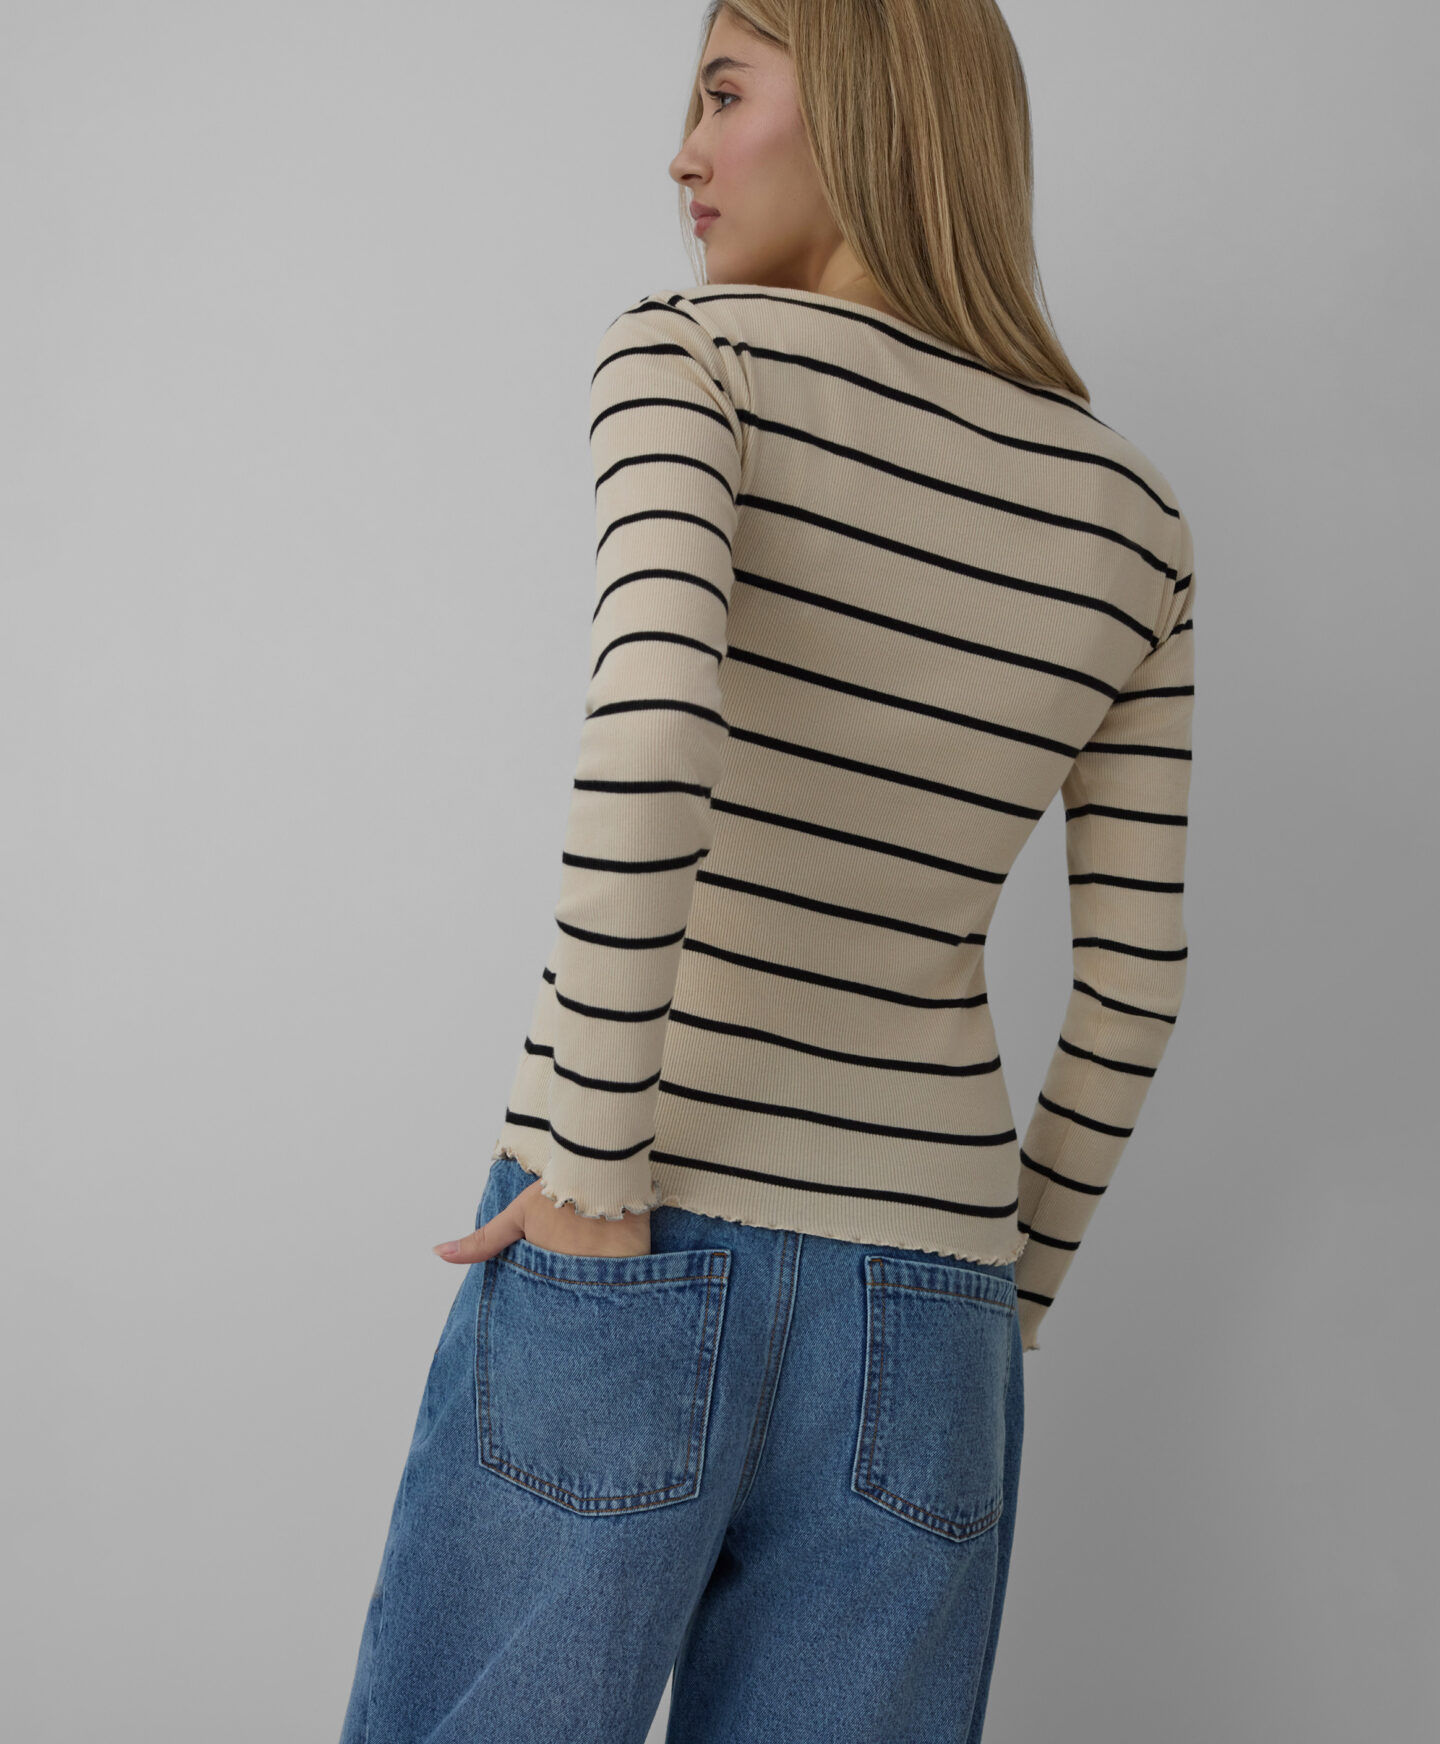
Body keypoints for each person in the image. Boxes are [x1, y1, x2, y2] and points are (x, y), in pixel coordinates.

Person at [338, 2, 1196, 1740]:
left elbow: (656, 720)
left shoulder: (693, 361)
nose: (682, 152)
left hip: (636, 1214)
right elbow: (1134, 985)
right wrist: (1001, 1298)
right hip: (937, 1300)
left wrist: (594, 1173)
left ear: (871, 107)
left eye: (725, 92)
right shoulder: (1134, 518)